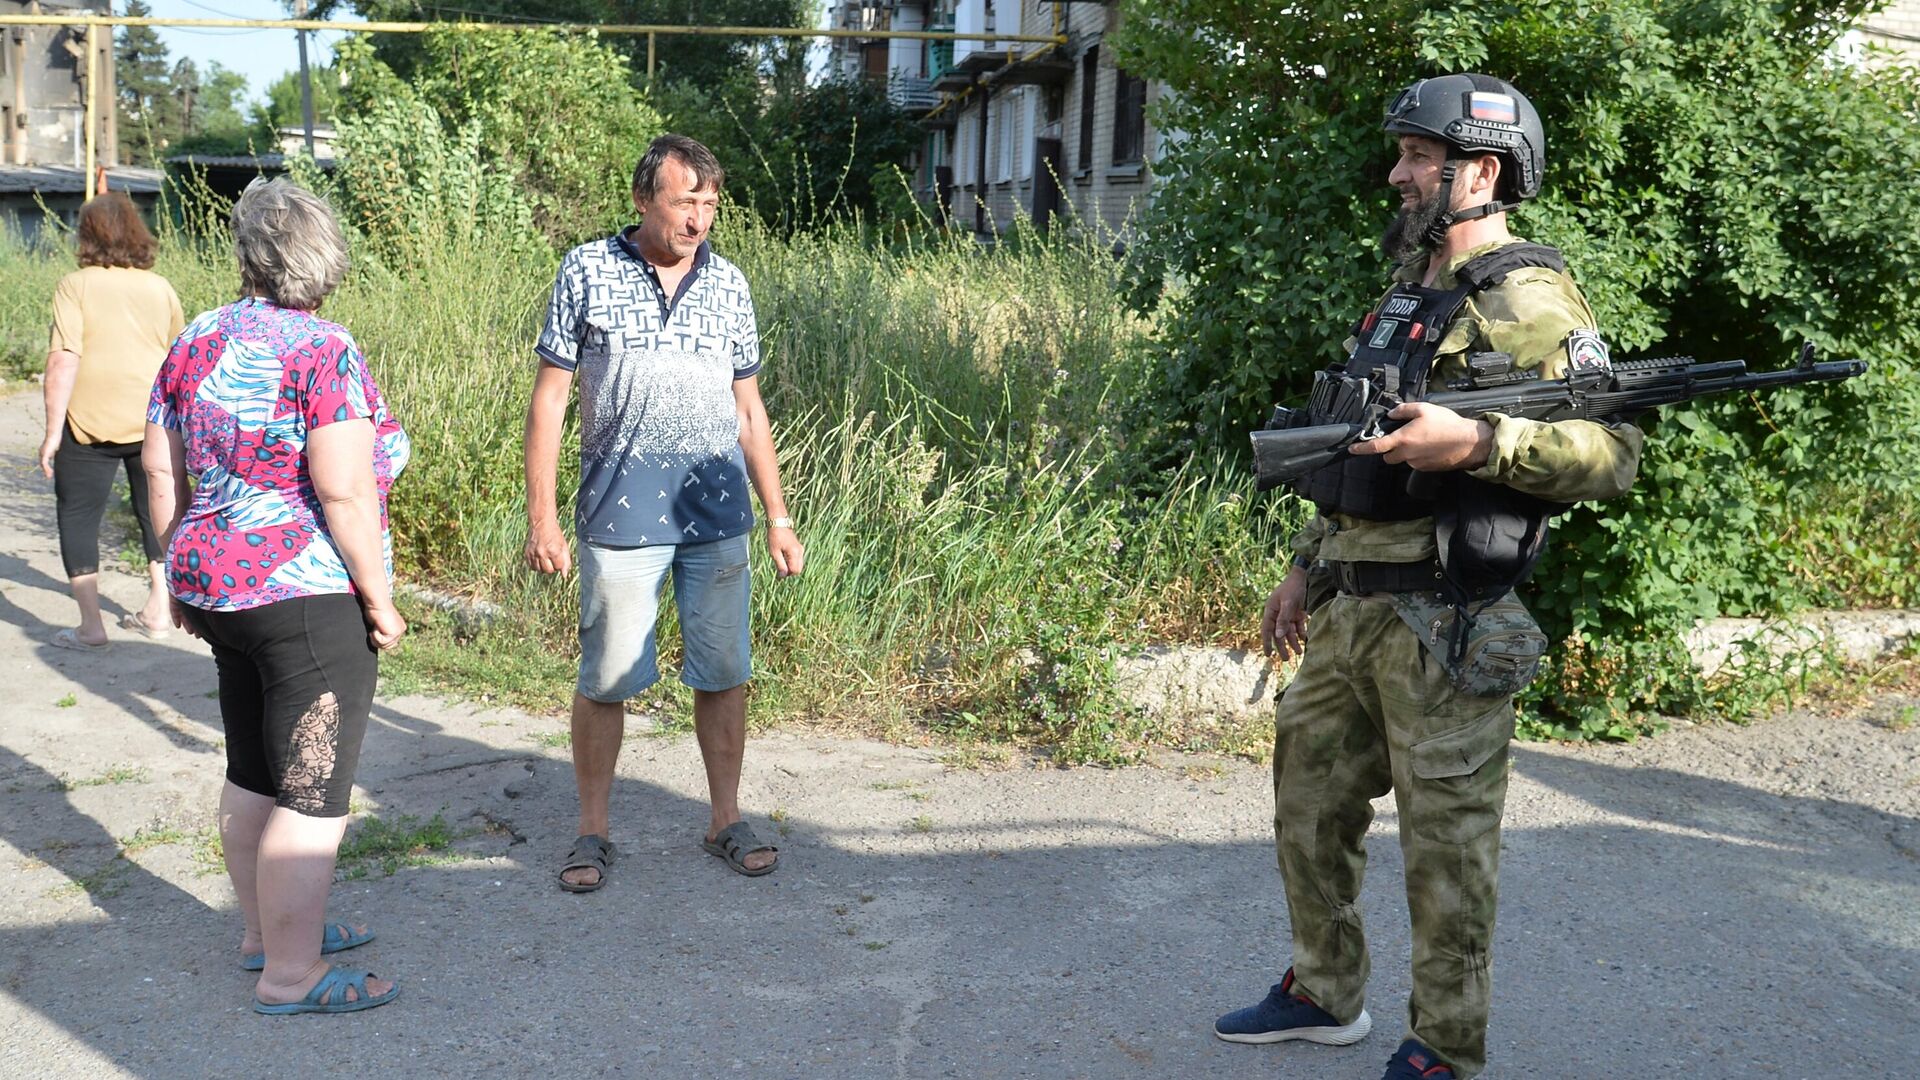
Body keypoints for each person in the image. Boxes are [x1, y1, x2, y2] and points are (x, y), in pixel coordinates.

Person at [1214, 75, 1644, 1079]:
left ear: (1479, 170)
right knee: (1309, 806)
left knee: (1447, 850)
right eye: (1403, 155)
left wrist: (1482, 440)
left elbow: (1611, 453)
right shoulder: (1409, 291)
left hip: (1445, 617)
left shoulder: (1528, 297)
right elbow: (1364, 450)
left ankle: (1446, 1047)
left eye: (1417, 157)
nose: (1398, 174)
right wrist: (1303, 568)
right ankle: (1324, 992)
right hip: (1352, 602)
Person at [143, 178, 410, 1015]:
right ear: (320, 252)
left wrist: (175, 565)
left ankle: (266, 934)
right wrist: (381, 596)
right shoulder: (323, 347)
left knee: (255, 769)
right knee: (314, 792)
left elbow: (159, 467)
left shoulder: (195, 336)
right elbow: (343, 491)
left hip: (219, 586)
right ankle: (291, 976)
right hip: (304, 593)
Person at [524, 133, 805, 893]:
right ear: (645, 199)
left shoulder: (730, 283)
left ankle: (725, 818)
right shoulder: (585, 270)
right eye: (686, 202)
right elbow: (550, 400)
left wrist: (777, 514)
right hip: (618, 513)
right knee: (607, 678)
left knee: (724, 673)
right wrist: (541, 516)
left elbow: (748, 408)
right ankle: (592, 832)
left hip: (716, 515)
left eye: (710, 203)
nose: (700, 218)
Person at [40, 192, 183, 650]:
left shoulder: (74, 285)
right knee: (154, 509)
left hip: (87, 422)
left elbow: (64, 359)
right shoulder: (159, 287)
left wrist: (50, 433)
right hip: (152, 421)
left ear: (87, 234)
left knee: (79, 514)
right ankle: (160, 609)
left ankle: (91, 626)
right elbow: (179, 358)